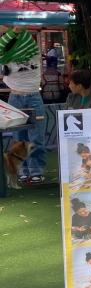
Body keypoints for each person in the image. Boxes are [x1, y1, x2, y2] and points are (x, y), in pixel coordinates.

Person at [0, 26, 46, 184]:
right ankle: (22, 170)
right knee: (18, 139)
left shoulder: (33, 53)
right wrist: (10, 32)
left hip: (33, 96)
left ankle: (36, 171)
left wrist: (13, 30)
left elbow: (20, 29)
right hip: (15, 97)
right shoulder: (6, 57)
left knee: (36, 137)